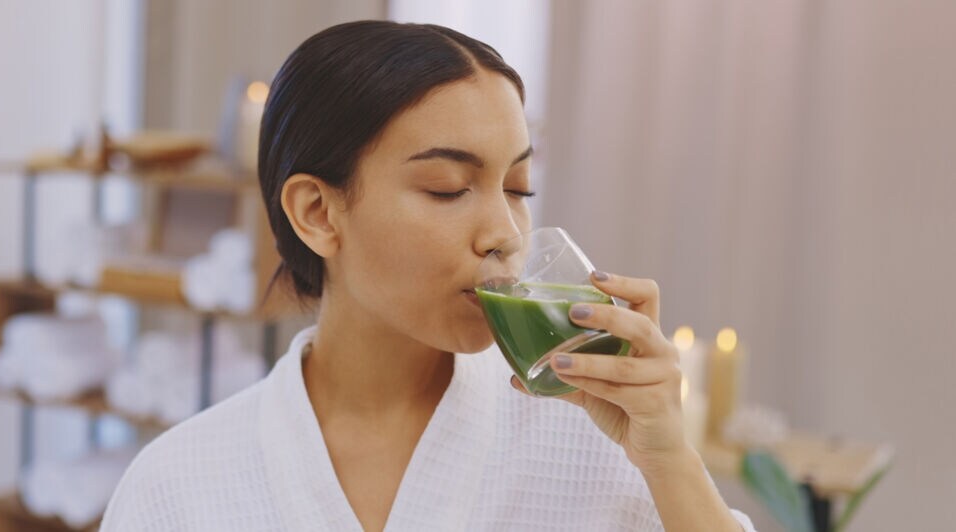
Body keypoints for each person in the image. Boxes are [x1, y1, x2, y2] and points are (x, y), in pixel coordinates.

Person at [102, 20, 755, 531]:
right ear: (317, 213)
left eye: (519, 188)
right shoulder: (179, 486)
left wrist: (670, 462)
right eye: (447, 188)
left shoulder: (594, 441)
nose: (504, 232)